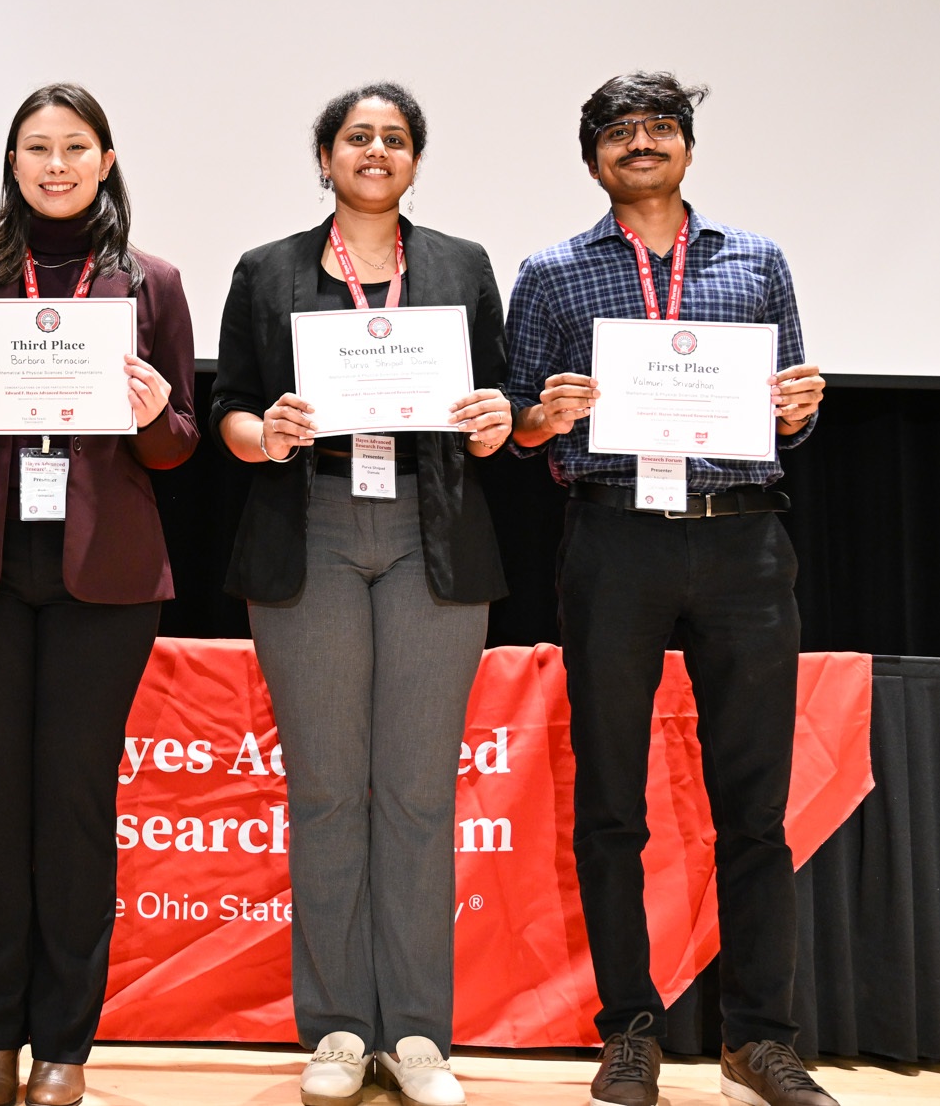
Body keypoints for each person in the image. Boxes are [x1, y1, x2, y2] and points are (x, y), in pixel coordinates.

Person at [504, 72, 833, 1106]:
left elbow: (790, 407)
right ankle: (628, 1029)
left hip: (741, 545)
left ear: (685, 145)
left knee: (754, 808)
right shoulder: (550, 273)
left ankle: (758, 1039)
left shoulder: (756, 259)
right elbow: (514, 424)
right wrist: (541, 416)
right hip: (612, 541)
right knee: (609, 802)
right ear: (590, 155)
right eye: (616, 131)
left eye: (657, 127)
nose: (638, 143)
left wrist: (797, 408)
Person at [211, 83, 511, 1106]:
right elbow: (229, 411)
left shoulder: (462, 266)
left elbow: (497, 400)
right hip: (312, 528)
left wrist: (491, 417)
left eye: (393, 138)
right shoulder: (268, 270)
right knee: (329, 792)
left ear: (413, 161)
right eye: (355, 136)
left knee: (421, 793)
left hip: (431, 530)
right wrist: (264, 433)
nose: (373, 150)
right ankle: (337, 1026)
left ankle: (418, 1033)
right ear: (325, 157)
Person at [0, 83, 197, 1106]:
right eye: (37, 147)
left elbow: (176, 447)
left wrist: (156, 411)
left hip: (100, 576)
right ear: (12, 161)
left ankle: (63, 1043)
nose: (56, 164)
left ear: (105, 160)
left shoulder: (147, 282)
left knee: (72, 806)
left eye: (76, 147)